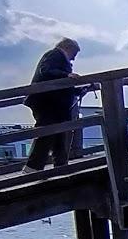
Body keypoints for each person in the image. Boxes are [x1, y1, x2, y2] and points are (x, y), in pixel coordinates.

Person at [22, 38, 85, 173]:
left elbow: (56, 80)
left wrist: (77, 90)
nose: (73, 59)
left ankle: (59, 167)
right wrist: (67, 75)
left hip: (53, 105)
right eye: (74, 54)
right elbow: (46, 71)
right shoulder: (54, 54)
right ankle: (32, 169)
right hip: (48, 104)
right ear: (68, 48)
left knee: (58, 137)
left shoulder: (56, 57)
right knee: (47, 135)